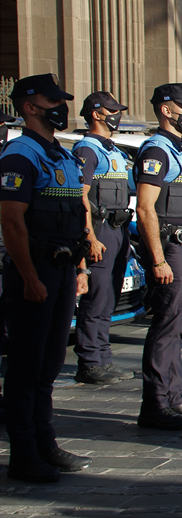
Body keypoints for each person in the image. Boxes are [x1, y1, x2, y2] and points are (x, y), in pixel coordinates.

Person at [1, 74, 92, 481]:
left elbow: (75, 220)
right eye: (51, 100)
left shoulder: (61, 154)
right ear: (29, 106)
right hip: (33, 273)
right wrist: (28, 277)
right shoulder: (21, 155)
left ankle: (45, 442)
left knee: (50, 363)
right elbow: (11, 222)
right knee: (25, 366)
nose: (60, 106)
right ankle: (23, 453)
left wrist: (79, 268)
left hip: (61, 270)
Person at [134, 83, 182, 430]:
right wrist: (158, 259)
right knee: (165, 326)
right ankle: (154, 405)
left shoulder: (181, 148)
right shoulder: (157, 150)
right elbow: (146, 208)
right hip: (170, 248)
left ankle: (173, 397)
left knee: (178, 326)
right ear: (166, 110)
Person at [72, 92, 134, 386]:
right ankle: (90, 361)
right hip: (100, 232)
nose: (117, 115)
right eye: (112, 111)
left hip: (118, 231)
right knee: (96, 300)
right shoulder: (87, 149)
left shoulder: (112, 149)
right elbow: (81, 197)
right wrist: (90, 237)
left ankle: (103, 356)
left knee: (108, 297)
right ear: (96, 114)